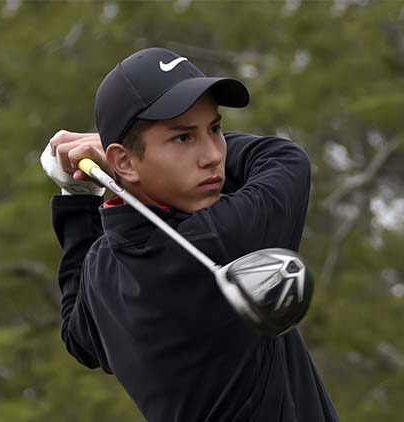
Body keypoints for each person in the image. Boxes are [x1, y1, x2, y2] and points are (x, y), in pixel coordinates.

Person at [41, 47, 338, 422]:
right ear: (123, 162)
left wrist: (78, 196)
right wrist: (108, 155)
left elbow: (78, 335)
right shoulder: (215, 243)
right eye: (184, 138)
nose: (213, 155)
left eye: (214, 129)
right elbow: (284, 160)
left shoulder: (104, 271)